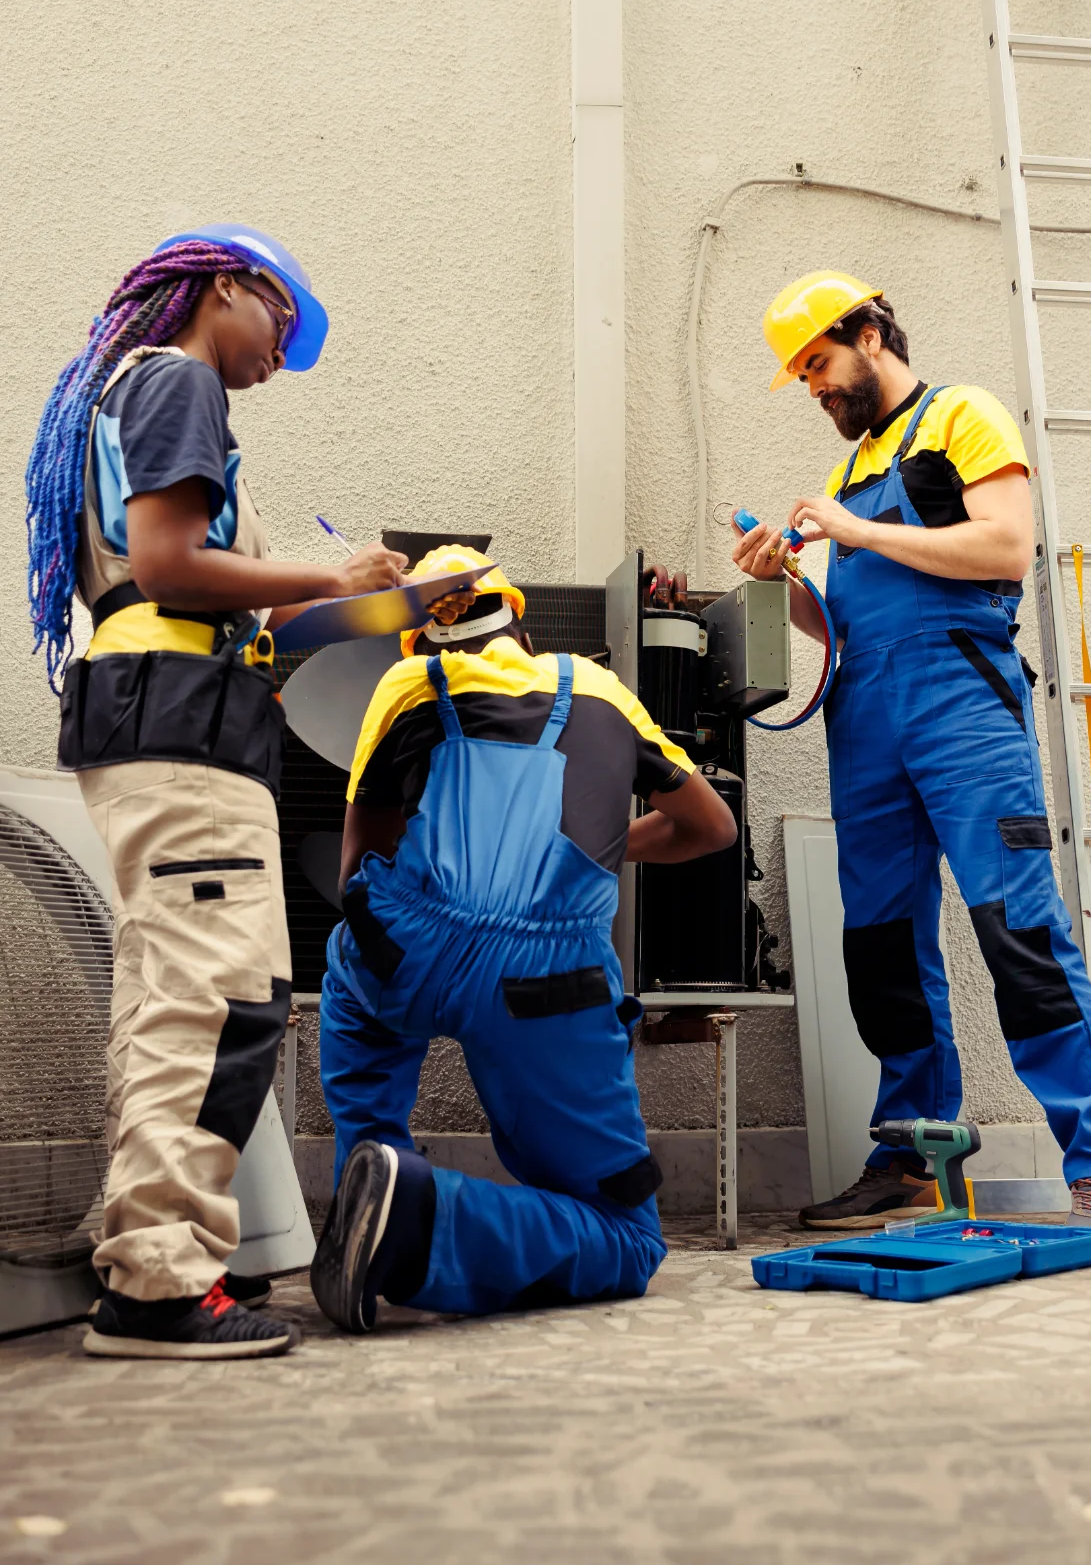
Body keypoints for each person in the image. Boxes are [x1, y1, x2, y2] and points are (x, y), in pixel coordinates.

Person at [25, 226, 411, 1357]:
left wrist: (393, 599)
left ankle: (144, 1263)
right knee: (222, 996)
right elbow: (170, 564)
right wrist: (334, 573)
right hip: (180, 722)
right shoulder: (178, 379)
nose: (281, 357)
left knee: (168, 1000)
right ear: (223, 288)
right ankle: (157, 1287)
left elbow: (254, 602)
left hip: (158, 715)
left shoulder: (138, 391)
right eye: (281, 321)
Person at [735, 270, 1091, 1247]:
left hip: (961, 702)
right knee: (879, 947)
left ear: (870, 333)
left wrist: (853, 529)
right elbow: (838, 614)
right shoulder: (844, 478)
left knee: (1017, 928)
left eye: (820, 365)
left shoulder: (963, 415)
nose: (819, 388)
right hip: (865, 712)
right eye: (805, 378)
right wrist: (782, 573)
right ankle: (912, 1160)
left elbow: (1005, 546)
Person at [310, 545, 738, 1329]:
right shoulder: (604, 690)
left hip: (408, 948)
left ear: (423, 641)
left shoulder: (406, 684)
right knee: (625, 1235)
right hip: (552, 981)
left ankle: (371, 1184)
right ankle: (415, 1222)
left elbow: (354, 866)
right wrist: (606, 843)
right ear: (522, 625)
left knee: (355, 982)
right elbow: (712, 828)